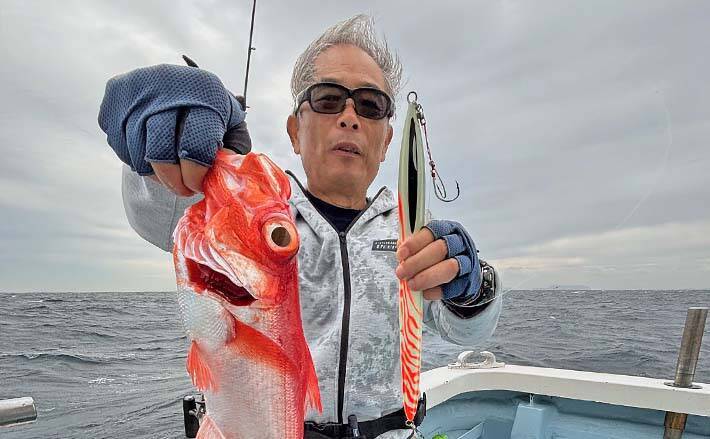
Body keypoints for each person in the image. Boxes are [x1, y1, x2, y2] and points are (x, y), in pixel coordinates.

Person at [99, 14, 501, 439]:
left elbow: (468, 330)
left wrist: (474, 287)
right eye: (328, 99)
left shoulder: (414, 233)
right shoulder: (255, 215)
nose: (350, 117)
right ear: (294, 131)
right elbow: (161, 210)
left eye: (370, 105)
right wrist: (167, 141)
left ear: (386, 141)